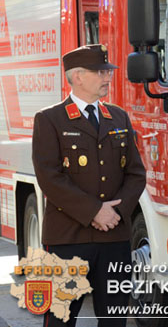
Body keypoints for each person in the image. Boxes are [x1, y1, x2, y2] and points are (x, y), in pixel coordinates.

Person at [32, 44, 146, 327]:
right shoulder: (50, 119)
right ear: (78, 76)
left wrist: (115, 214)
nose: (108, 76)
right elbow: (49, 177)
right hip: (68, 239)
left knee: (115, 318)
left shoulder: (118, 117)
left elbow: (136, 174)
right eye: (101, 71)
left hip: (114, 238)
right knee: (61, 318)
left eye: (108, 71)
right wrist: (96, 212)